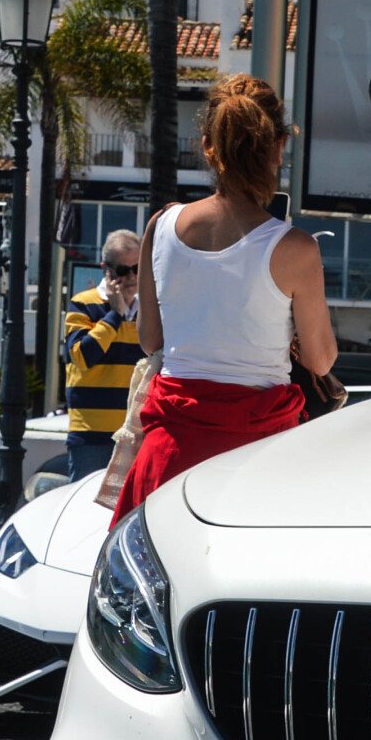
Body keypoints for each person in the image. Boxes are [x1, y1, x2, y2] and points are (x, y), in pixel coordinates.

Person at [111, 74, 337, 525]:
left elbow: (150, 339)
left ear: (207, 147)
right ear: (277, 148)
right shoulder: (295, 248)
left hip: (170, 447)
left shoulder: (161, 225)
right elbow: (321, 361)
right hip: (257, 456)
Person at [62, 227, 146, 482]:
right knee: (85, 517)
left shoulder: (152, 308)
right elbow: (82, 356)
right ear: (105, 269)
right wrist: (115, 315)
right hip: (91, 437)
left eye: (137, 268)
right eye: (123, 270)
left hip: (136, 435)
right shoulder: (82, 303)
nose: (131, 277)